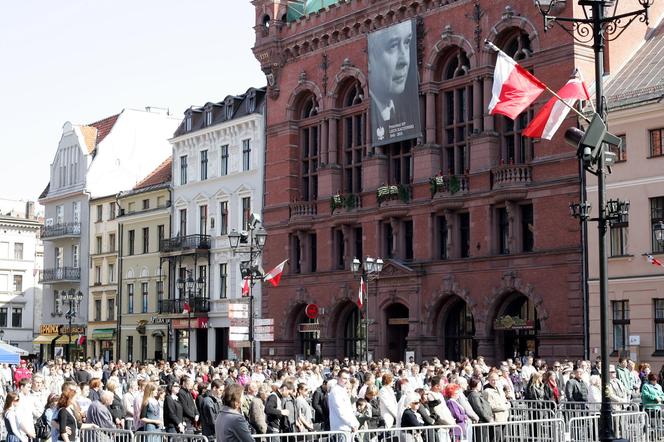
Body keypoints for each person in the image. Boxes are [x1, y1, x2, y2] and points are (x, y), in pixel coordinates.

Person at [368, 19, 418, 144]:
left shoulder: (407, 109)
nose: (405, 60)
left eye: (407, 42)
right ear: (369, 58)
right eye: (393, 46)